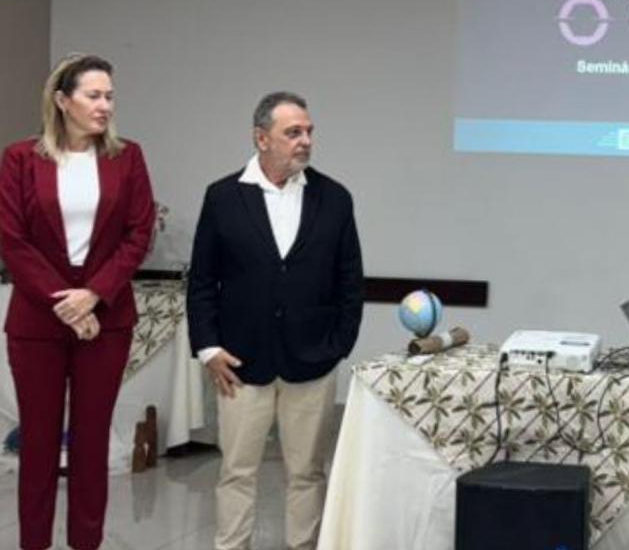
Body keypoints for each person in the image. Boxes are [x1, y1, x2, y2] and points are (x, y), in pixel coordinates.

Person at [186, 91, 363, 550]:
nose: (305, 140)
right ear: (261, 138)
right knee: (236, 472)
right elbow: (202, 279)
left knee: (307, 473)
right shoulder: (223, 197)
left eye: (309, 131)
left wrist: (338, 345)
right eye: (293, 132)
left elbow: (350, 281)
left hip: (313, 360)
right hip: (239, 362)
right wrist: (208, 347)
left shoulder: (335, 198)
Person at [0, 53, 156, 550]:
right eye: (94, 95)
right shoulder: (20, 158)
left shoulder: (127, 157)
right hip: (36, 323)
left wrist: (93, 296)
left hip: (107, 320)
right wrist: (65, 304)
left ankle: (86, 544)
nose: (105, 105)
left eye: (110, 96)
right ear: (63, 101)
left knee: (91, 443)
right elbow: (12, 240)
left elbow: (138, 233)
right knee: (39, 444)